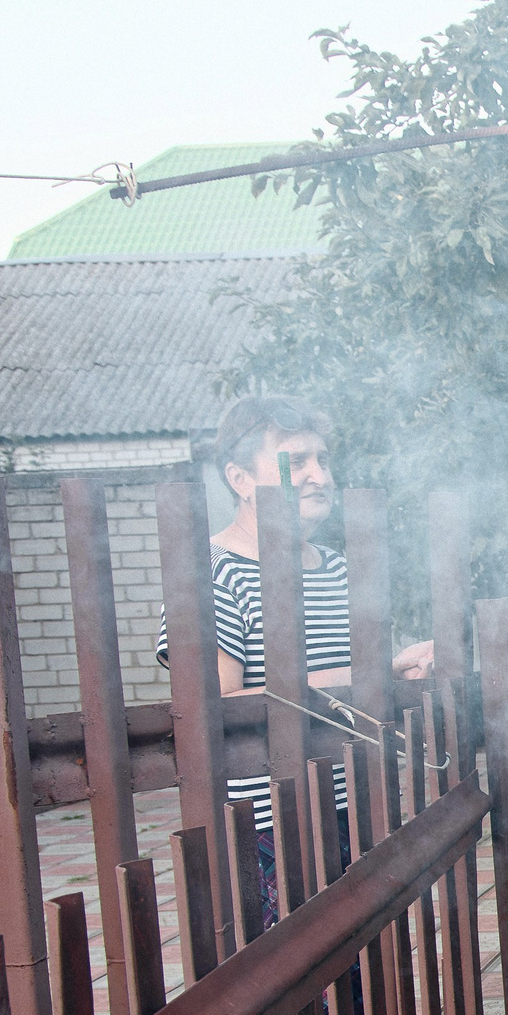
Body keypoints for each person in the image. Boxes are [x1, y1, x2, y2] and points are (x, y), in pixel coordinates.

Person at [157, 395, 431, 923]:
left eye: (323, 460)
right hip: (268, 825)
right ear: (240, 479)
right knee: (298, 987)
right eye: (296, 461)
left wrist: (407, 675)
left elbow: (366, 686)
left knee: (363, 989)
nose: (318, 475)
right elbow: (215, 702)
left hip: (354, 806)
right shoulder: (211, 571)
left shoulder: (340, 568)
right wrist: (372, 673)